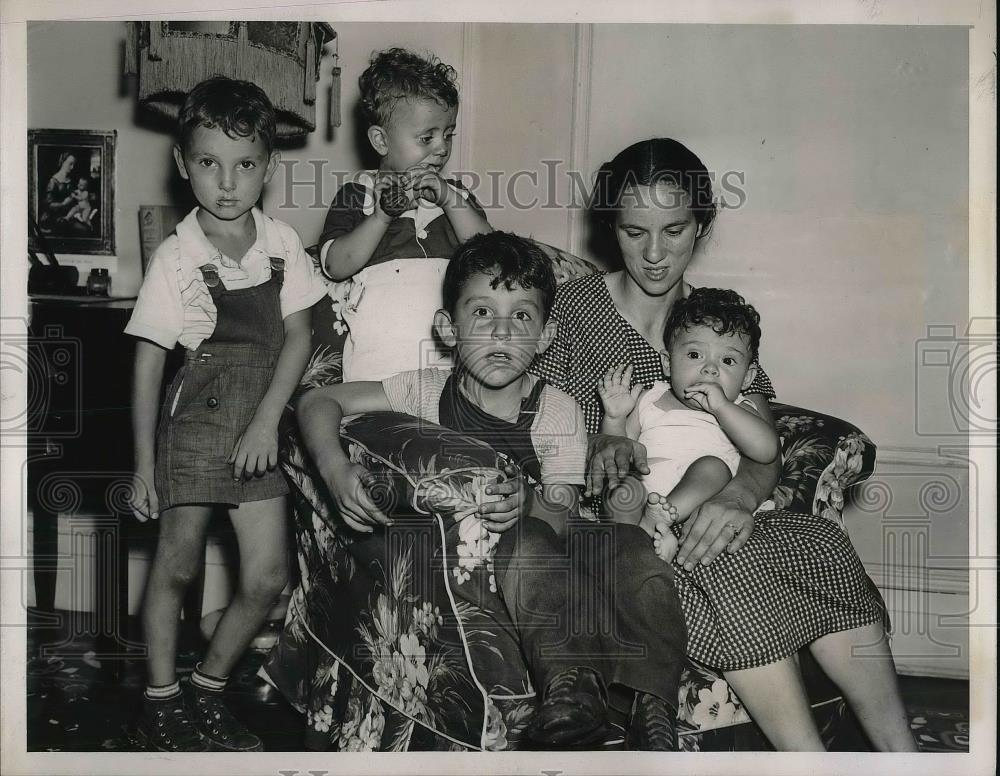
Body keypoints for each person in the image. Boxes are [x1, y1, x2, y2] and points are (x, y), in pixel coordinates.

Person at [531, 138, 917, 751]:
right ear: (611, 228)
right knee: (726, 566)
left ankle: (904, 759)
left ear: (701, 225)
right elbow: (543, 433)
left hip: (712, 505)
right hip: (624, 528)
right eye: (634, 232)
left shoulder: (714, 321)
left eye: (675, 230)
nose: (655, 254)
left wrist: (735, 497)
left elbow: (763, 440)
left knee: (819, 546)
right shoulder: (576, 311)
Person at [297, 231, 686, 750]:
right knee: (526, 546)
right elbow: (318, 401)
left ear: (545, 336)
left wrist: (527, 500)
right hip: (497, 558)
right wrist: (334, 467)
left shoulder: (556, 409)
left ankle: (655, 708)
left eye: (522, 316)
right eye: (482, 313)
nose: (502, 332)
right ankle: (572, 689)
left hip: (561, 535)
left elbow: (562, 512)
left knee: (635, 552)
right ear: (448, 329)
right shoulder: (424, 389)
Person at [125, 76, 327, 752]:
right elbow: (151, 363)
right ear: (184, 164)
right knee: (176, 568)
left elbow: (299, 336)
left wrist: (269, 420)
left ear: (267, 167)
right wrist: (146, 468)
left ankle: (208, 688)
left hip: (259, 428)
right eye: (208, 163)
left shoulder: (282, 245)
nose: (227, 182)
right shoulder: (177, 256)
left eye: (245, 165)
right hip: (195, 427)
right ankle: (160, 701)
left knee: (268, 577)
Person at [318, 47, 492, 382]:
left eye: (448, 134)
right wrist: (381, 217)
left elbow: (488, 252)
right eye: (427, 137)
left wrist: (448, 198)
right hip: (379, 364)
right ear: (381, 141)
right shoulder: (359, 193)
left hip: (449, 369)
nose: (441, 147)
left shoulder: (456, 196)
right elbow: (335, 265)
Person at [598, 288, 780, 563]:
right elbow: (620, 450)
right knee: (622, 485)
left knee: (712, 467)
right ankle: (629, 541)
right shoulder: (650, 399)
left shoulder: (740, 409)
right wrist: (614, 418)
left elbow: (767, 451)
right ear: (668, 363)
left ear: (747, 378)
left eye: (727, 361)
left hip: (701, 509)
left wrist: (721, 407)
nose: (710, 369)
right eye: (695, 355)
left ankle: (655, 527)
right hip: (643, 498)